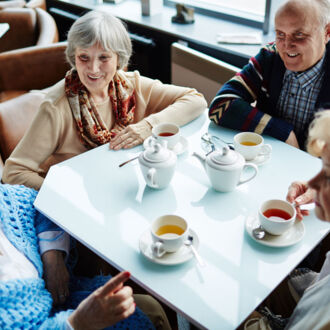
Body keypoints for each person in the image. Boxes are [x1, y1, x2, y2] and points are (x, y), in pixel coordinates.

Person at [2, 10, 206, 191]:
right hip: (79, 196)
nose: (93, 69)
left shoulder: (131, 84)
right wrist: (64, 193)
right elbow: (13, 173)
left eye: (103, 58)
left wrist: (147, 126)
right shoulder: (56, 107)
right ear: (73, 57)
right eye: (84, 57)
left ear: (119, 58)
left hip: (122, 185)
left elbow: (195, 100)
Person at [0, 183, 172, 329]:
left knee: (152, 306)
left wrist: (52, 257)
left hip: (68, 296)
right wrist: (78, 322)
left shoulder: (4, 198)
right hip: (62, 321)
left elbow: (37, 204)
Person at [208, 0, 330, 150]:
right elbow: (220, 106)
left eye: (299, 34)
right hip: (267, 161)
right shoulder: (270, 57)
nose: (286, 45)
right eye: (280, 34)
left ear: (327, 33)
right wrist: (283, 132)